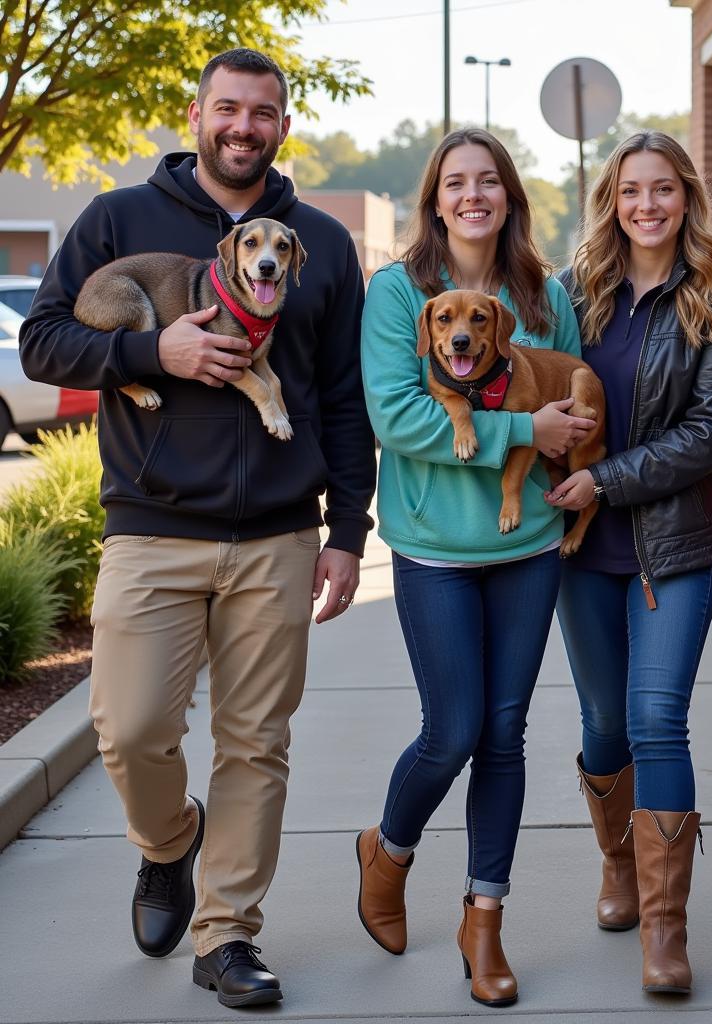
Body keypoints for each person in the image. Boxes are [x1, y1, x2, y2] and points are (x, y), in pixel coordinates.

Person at [19, 49, 376, 1008]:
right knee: (129, 729)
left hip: (278, 536)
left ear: (283, 127)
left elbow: (343, 400)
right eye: (228, 108)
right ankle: (169, 846)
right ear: (197, 113)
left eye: (262, 112)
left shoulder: (323, 245)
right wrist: (152, 348)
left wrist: (349, 530)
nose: (243, 126)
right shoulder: (116, 219)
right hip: (151, 522)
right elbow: (44, 338)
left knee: (256, 743)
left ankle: (226, 938)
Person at [357, 127, 593, 1009]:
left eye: (488, 180)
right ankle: (390, 847)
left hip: (528, 545)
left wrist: (576, 464)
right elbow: (399, 416)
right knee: (450, 730)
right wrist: (524, 432)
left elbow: (570, 403)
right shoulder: (397, 293)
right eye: (456, 182)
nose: (472, 195)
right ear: (434, 198)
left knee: (505, 737)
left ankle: (483, 919)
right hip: (432, 549)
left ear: (509, 196)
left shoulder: (541, 293)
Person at [548, 131, 712, 995]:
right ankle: (619, 867)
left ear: (685, 197)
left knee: (657, 718)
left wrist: (604, 478)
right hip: (578, 550)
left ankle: (666, 931)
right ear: (612, 200)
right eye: (631, 190)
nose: (646, 206)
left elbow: (710, 434)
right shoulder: (569, 293)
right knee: (604, 725)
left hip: (672, 548)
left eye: (662, 189)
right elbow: (527, 382)